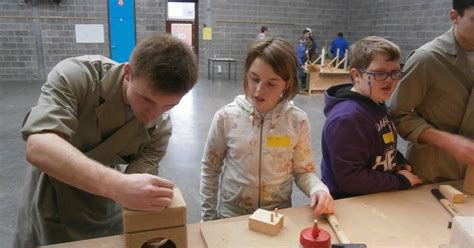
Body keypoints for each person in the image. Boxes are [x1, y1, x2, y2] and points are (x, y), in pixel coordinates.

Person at [13, 34, 198, 247]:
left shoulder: (160, 128)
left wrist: (152, 221)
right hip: (52, 193)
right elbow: (39, 146)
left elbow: (137, 180)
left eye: (168, 106)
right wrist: (119, 185)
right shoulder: (77, 76)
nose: (153, 114)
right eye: (146, 99)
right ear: (128, 73)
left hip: (104, 201)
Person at [200, 38, 334, 221]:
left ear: (287, 84)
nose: (258, 90)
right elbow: (210, 168)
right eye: (254, 79)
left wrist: (318, 188)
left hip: (277, 216)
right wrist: (208, 217)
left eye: (271, 83)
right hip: (232, 215)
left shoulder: (297, 121)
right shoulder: (226, 118)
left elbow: (304, 171)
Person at [321, 36, 422, 199]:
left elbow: (379, 145)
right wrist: (399, 181)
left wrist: (398, 161)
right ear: (357, 75)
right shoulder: (348, 119)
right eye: (380, 73)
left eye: (395, 73)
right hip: (349, 201)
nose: (389, 80)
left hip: (373, 193)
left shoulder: (375, 102)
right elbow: (350, 179)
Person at [389, 0, 474, 183]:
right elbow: (398, 115)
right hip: (432, 173)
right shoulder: (427, 59)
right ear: (454, 17)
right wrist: (448, 141)